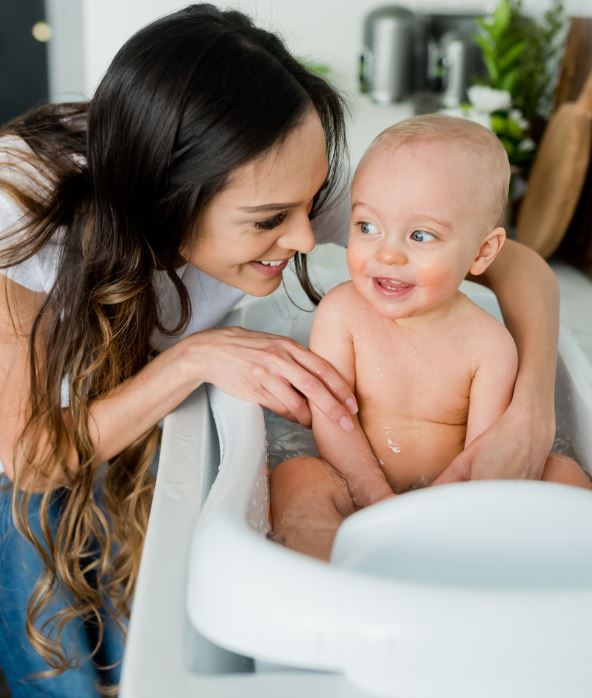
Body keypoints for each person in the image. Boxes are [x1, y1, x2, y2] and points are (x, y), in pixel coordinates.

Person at [0, 5, 561, 697]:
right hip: (27, 452)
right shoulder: (23, 208)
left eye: (314, 204)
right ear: (167, 200)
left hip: (129, 430)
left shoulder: (272, 170)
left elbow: (517, 267)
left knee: (130, 642)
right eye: (269, 222)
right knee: (58, 659)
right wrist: (193, 356)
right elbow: (31, 459)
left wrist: (529, 406)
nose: (304, 238)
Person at [270, 115, 592, 561]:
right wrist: (375, 497)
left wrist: (437, 516)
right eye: (367, 227)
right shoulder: (341, 315)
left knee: (565, 476)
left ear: (482, 252)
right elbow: (333, 420)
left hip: (456, 502)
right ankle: (334, 583)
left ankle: (532, 577)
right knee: (297, 476)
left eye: (421, 235)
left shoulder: (489, 345)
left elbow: (487, 453)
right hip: (354, 482)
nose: (387, 252)